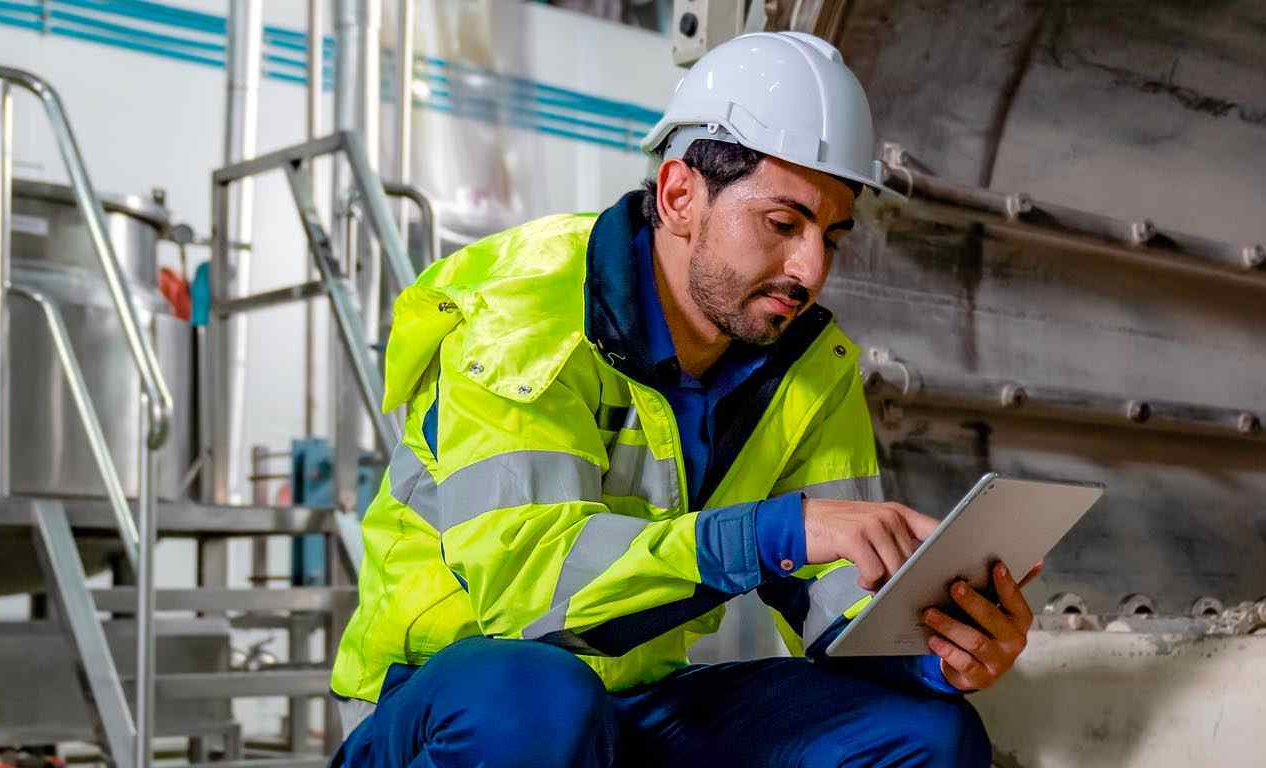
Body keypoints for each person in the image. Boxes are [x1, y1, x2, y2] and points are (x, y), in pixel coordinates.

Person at [328, 31, 1038, 767]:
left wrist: (933, 653)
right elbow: (529, 595)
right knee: (534, 700)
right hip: (450, 706)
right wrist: (770, 533)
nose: (811, 268)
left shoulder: (807, 365)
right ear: (678, 196)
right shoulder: (526, 311)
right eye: (783, 224)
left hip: (633, 706)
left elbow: (835, 594)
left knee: (926, 733)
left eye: (833, 236)